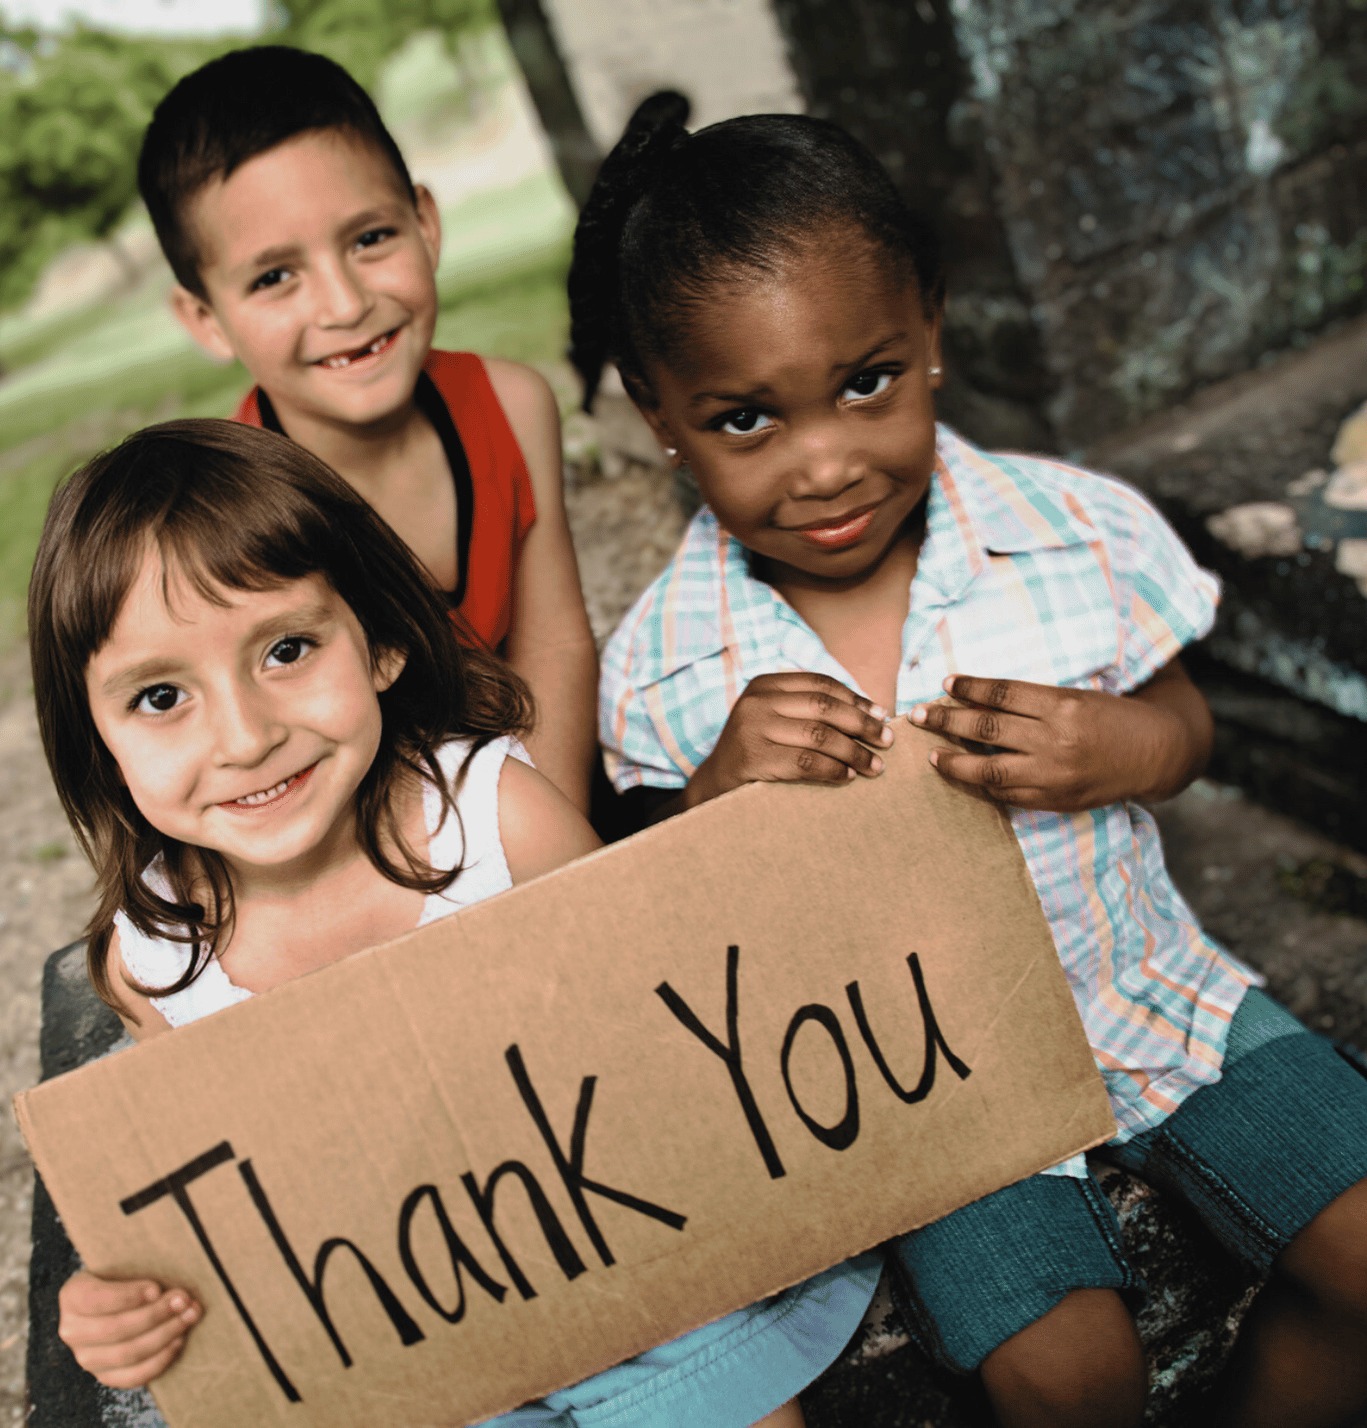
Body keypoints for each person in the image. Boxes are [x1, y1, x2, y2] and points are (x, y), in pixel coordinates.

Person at [581, 95, 1367, 1428]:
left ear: (931, 326)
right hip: (935, 1090)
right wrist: (717, 796)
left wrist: (1122, 744)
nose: (826, 463)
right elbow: (672, 924)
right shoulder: (667, 662)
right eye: (745, 423)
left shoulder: (1075, 530)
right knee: (1065, 1374)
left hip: (1153, 996)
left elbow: (1187, 732)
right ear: (660, 414)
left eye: (866, 381)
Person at [26, 419, 881, 1428]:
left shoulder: (496, 822)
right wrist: (118, 1307)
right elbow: (208, 1222)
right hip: (408, 1361)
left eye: (288, 649)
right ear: (97, 739)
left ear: (380, 641)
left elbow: (669, 1044)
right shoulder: (156, 961)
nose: (246, 735)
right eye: (161, 695)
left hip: (644, 1291)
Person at [135, 46, 600, 813]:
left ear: (425, 224)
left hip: (537, 801)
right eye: (274, 276)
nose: (344, 303)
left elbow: (555, 648)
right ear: (206, 319)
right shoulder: (226, 508)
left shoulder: (513, 407)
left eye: (370, 239)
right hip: (359, 839)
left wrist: (543, 853)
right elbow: (268, 760)